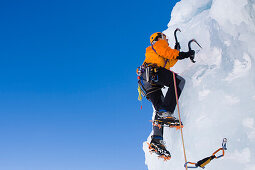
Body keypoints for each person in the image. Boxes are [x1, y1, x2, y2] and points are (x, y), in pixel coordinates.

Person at [138, 32, 194, 159]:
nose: (166, 39)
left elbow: (169, 62)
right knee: (178, 81)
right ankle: (166, 111)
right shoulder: (158, 44)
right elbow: (167, 53)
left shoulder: (157, 52)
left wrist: (177, 51)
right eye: (164, 37)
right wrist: (185, 54)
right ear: (158, 38)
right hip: (153, 73)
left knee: (159, 109)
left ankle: (157, 141)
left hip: (146, 83)